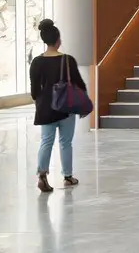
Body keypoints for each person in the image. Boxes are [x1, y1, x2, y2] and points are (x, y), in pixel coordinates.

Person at [30, 19, 85, 193]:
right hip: (66, 107)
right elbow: (78, 85)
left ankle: (42, 175)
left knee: (46, 141)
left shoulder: (37, 62)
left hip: (46, 108)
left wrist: (41, 103)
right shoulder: (67, 60)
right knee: (65, 142)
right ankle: (68, 176)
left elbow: (34, 90)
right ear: (58, 40)